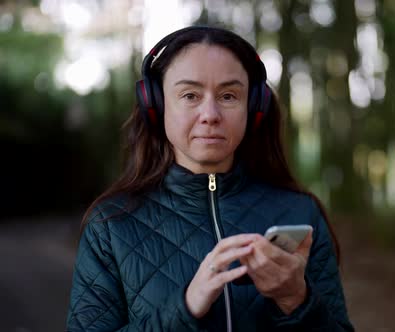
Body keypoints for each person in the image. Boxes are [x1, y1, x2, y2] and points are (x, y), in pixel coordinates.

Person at [65, 25, 354, 331]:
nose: (210, 114)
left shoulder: (301, 214)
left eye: (229, 96)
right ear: (157, 105)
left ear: (254, 107)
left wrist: (297, 299)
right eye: (190, 95)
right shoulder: (110, 225)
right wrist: (186, 307)